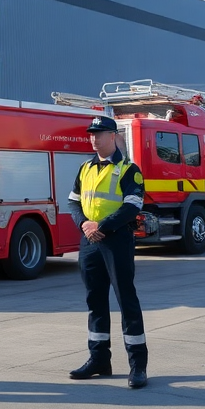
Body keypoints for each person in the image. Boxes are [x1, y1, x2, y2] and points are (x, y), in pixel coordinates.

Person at [65, 115, 149, 388]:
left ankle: (138, 365)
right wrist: (85, 225)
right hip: (90, 242)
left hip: (116, 241)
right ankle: (99, 359)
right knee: (95, 301)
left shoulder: (129, 169)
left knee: (127, 300)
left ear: (113, 136)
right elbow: (73, 202)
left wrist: (100, 226)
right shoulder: (85, 168)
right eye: (91, 133)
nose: (93, 138)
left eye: (99, 133)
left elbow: (132, 206)